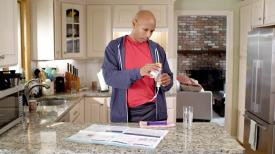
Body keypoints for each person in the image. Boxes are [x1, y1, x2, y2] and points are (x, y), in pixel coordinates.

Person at [102, 10, 173, 122]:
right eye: (145, 29)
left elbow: (168, 79)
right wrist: (139, 72)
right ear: (134, 23)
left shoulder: (157, 49)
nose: (148, 34)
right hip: (125, 115)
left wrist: (167, 80)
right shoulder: (115, 47)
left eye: (152, 31)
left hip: (155, 113)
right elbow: (109, 77)